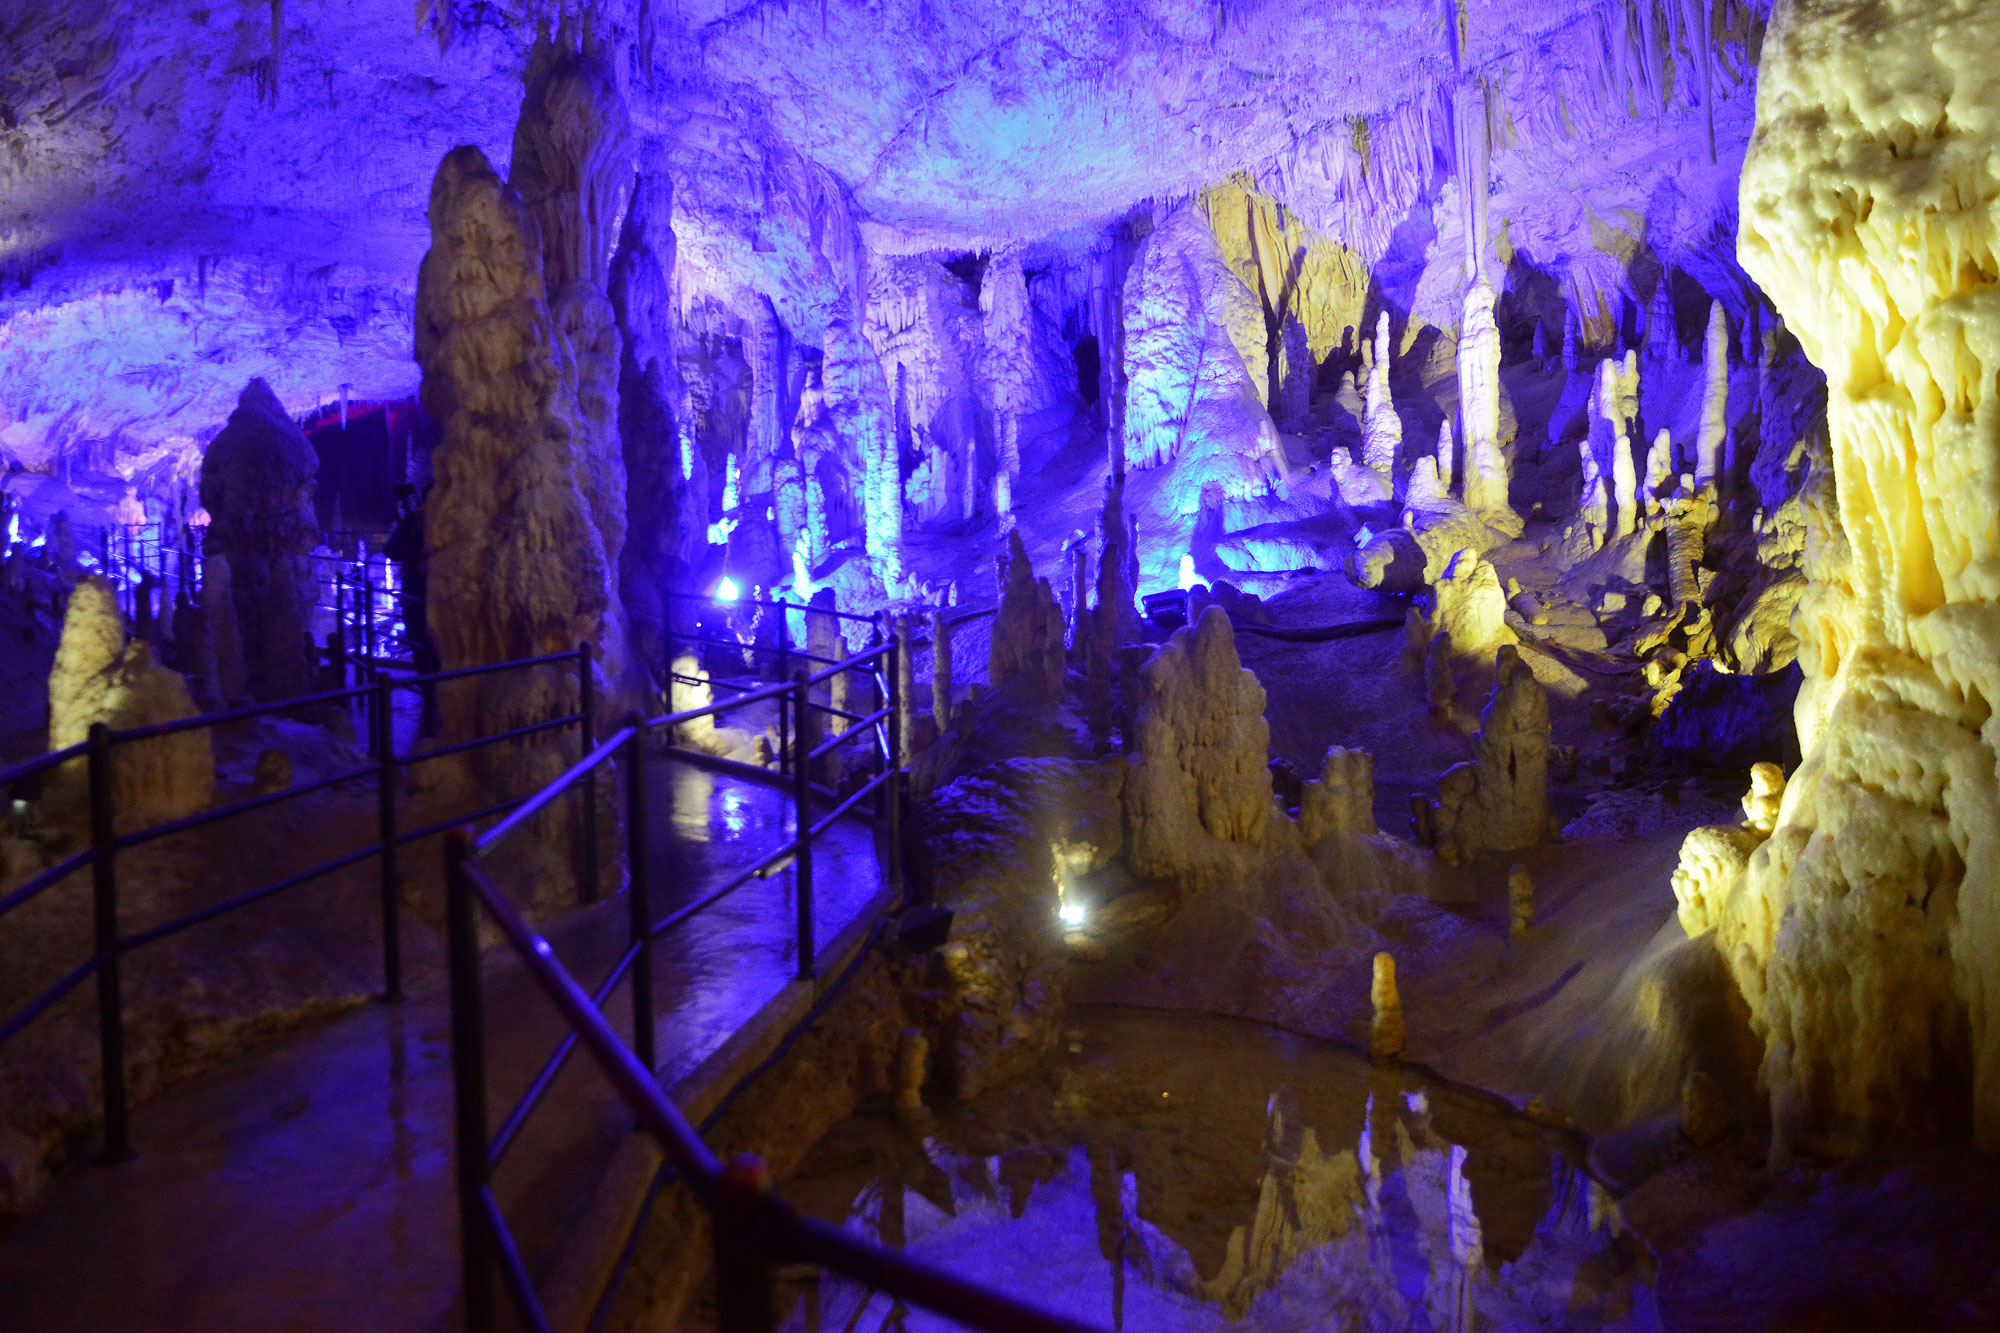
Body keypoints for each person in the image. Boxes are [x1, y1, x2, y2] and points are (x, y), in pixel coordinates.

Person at [384, 483, 442, 734]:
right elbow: (392, 550)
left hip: (418, 596)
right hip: (427, 596)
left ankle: (431, 700)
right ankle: (435, 700)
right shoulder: (422, 521)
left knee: (423, 648)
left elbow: (391, 550)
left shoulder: (416, 521)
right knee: (429, 648)